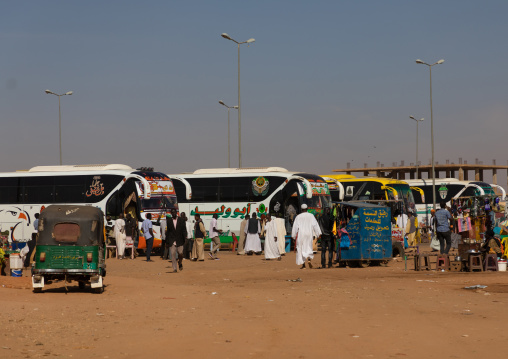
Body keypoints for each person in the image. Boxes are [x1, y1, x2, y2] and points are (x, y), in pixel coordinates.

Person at [292, 204, 322, 269]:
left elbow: (295, 227)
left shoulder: (298, 217)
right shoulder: (311, 216)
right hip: (309, 234)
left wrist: (293, 236)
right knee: (309, 247)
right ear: (307, 208)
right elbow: (315, 225)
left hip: (301, 234)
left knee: (301, 248)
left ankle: (303, 265)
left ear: (301, 209)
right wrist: (318, 233)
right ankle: (309, 259)